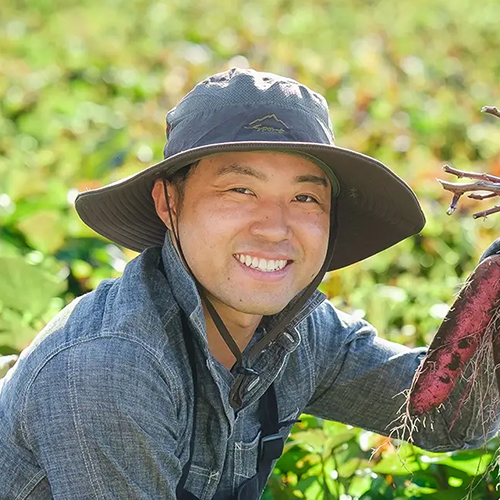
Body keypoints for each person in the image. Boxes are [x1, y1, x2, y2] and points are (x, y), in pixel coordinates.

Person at [0, 67, 499, 500]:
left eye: (305, 199)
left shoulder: (303, 333)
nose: (275, 228)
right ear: (167, 203)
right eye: (240, 190)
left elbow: (446, 418)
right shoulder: (112, 368)